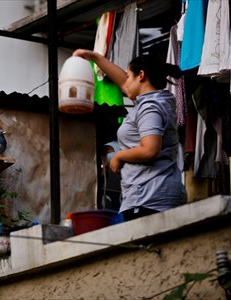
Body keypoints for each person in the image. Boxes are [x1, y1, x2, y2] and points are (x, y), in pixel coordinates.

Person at [73, 49, 187, 221]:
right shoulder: (153, 100)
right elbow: (126, 85)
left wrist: (119, 156)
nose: (125, 82)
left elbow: (150, 150)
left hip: (150, 198)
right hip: (151, 196)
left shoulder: (150, 107)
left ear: (141, 76)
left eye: (129, 76)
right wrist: (95, 58)